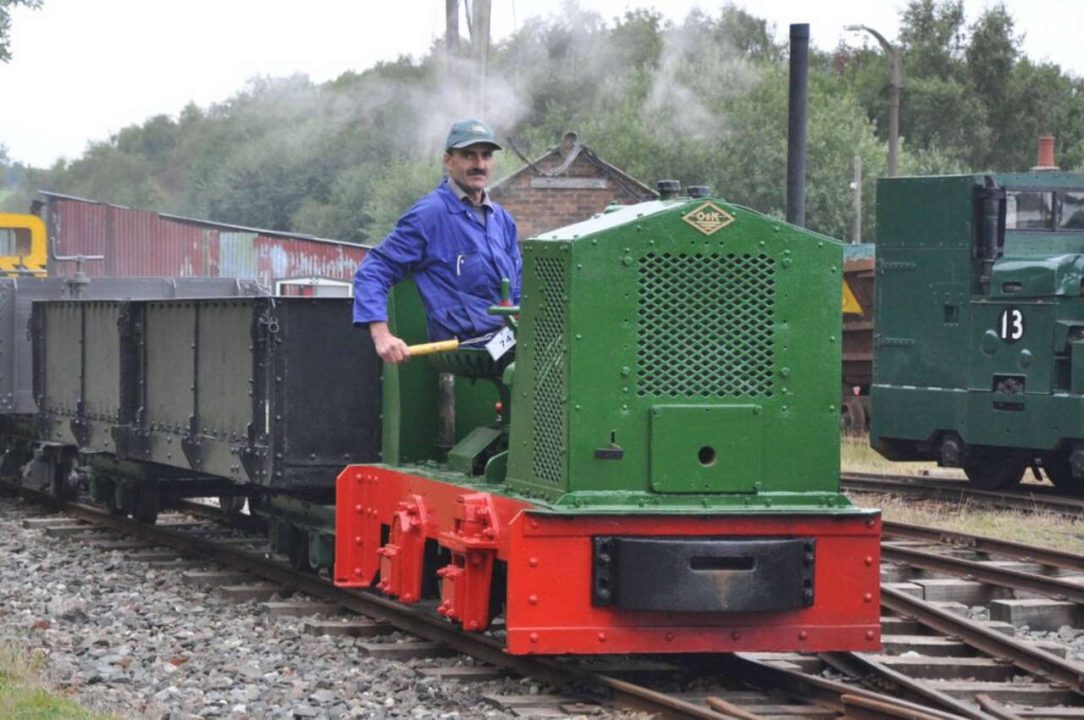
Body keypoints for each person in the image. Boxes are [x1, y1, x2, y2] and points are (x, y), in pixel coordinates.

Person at [352, 119, 522, 364]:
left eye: (486, 155)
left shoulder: (503, 220)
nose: (479, 164)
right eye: (468, 155)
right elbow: (374, 269)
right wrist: (382, 336)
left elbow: (518, 288)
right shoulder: (429, 215)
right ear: (448, 160)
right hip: (463, 351)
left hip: (506, 344)